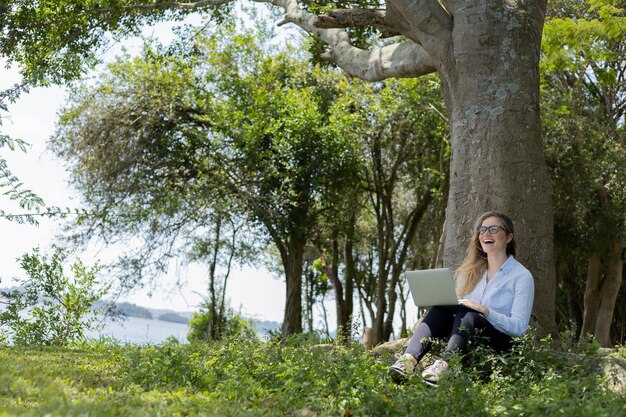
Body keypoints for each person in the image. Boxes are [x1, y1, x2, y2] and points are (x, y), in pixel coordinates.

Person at [388, 211, 535, 384]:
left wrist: (486, 312)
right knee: (441, 309)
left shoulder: (521, 276)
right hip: (468, 333)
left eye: (494, 228)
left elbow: (519, 328)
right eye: (482, 229)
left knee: (470, 314)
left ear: (508, 237)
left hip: (502, 342)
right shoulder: (469, 272)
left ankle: (444, 366)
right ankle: (407, 361)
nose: (486, 233)